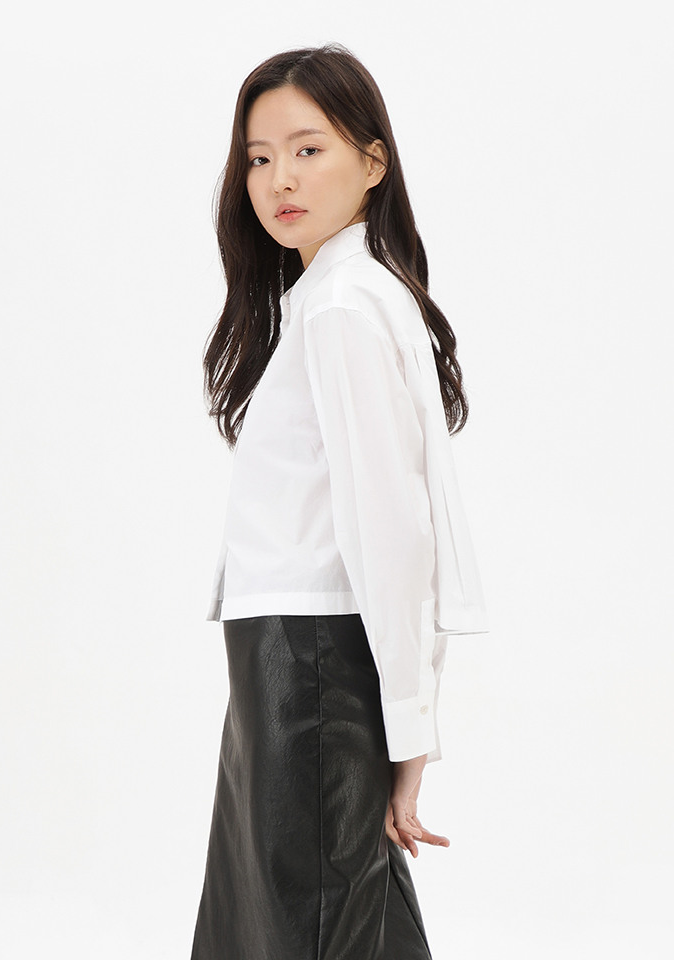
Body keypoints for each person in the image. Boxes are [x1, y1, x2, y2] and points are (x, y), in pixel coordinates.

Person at [190, 43, 488, 960]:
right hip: (294, 661)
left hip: (311, 665)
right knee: (323, 921)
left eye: (308, 149)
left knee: (306, 927)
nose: (279, 178)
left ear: (372, 161)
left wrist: (410, 733)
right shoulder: (334, 297)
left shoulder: (342, 309)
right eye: (258, 157)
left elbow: (392, 534)